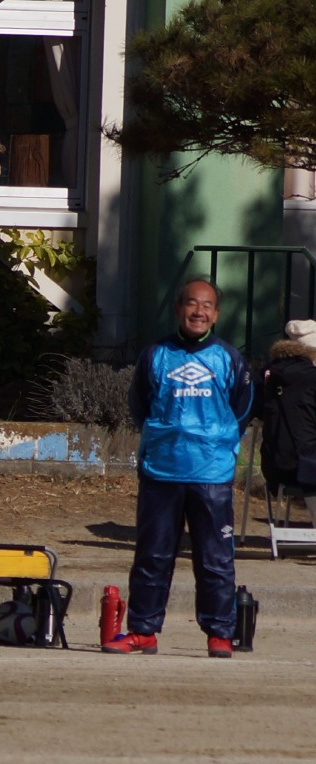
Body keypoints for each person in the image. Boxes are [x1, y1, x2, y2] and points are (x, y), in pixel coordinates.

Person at [104, 278, 252, 659]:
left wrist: (214, 443)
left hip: (211, 476)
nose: (198, 312)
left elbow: (243, 409)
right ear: (178, 309)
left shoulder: (230, 359)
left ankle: (220, 633)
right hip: (162, 473)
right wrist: (166, 438)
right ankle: (143, 631)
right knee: (152, 556)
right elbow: (139, 405)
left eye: (207, 306)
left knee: (215, 560)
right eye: (191, 303)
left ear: (216, 315)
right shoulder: (155, 355)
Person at [259, 319, 316, 516]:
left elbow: (252, 413)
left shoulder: (266, 375)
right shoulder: (312, 378)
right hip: (310, 470)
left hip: (274, 468)